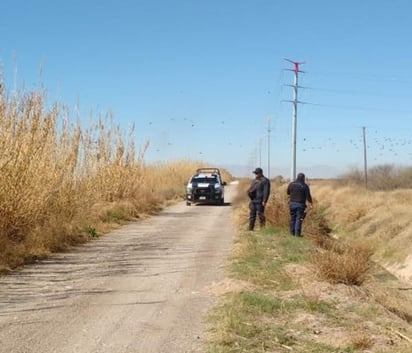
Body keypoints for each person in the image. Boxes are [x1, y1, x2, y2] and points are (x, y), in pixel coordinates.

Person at [287, 172, 313, 237]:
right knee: (299, 218)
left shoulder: (291, 184)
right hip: (300, 205)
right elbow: (308, 196)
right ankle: (297, 234)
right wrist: (311, 203)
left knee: (292, 218)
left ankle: (291, 233)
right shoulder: (304, 185)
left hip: (292, 204)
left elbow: (288, 192)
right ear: (303, 178)